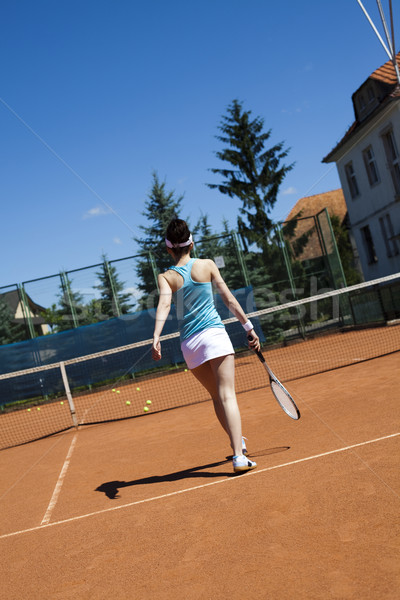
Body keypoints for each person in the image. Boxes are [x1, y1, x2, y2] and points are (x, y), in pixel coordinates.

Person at [152, 218, 260, 473]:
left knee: (216, 396)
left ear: (169, 248)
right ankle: (238, 457)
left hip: (190, 345)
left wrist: (155, 336)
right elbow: (229, 300)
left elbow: (164, 306)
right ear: (192, 242)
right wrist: (249, 327)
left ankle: (238, 444)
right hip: (214, 336)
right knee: (227, 395)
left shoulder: (166, 277)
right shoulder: (207, 265)